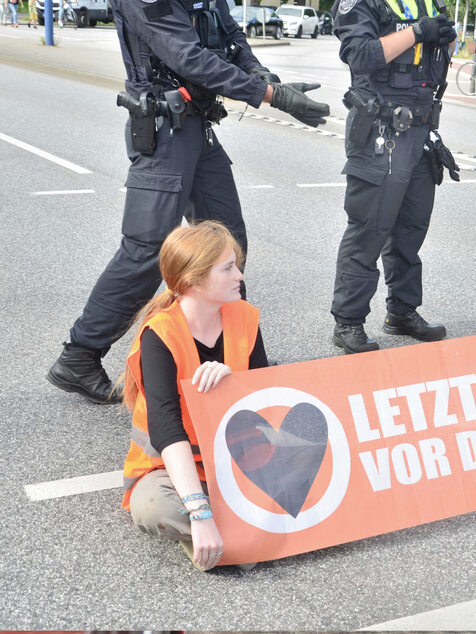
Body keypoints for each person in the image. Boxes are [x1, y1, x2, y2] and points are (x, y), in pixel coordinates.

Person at [46, 0, 328, 404]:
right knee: (145, 251)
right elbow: (186, 56)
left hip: (198, 125)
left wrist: (261, 73)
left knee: (227, 243)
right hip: (164, 131)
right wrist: (269, 95)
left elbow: (231, 35)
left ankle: (237, 354)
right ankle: (79, 355)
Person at [121, 221, 268, 571]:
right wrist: (199, 512)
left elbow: (267, 394)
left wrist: (234, 380)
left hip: (236, 453)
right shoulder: (160, 335)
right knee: (153, 505)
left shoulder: (244, 317)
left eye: (236, 265)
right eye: (229, 268)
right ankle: (236, 532)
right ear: (193, 280)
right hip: (171, 465)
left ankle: (232, 537)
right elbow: (167, 429)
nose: (240, 276)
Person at [330, 0, 457, 354]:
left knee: (411, 228)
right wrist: (417, 31)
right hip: (381, 129)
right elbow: (360, 54)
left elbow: (436, 60)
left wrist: (445, 39)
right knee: (370, 228)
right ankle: (348, 321)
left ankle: (402, 311)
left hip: (420, 127)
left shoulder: (427, 2)